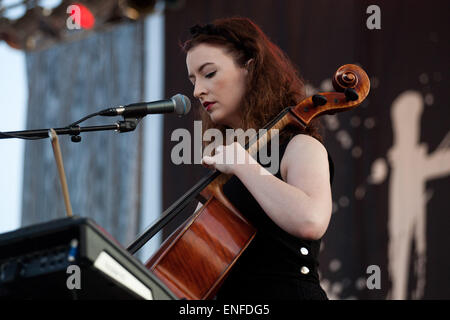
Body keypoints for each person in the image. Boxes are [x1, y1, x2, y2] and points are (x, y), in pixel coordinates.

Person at [183, 17, 333, 300]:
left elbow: (310, 220)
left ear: (250, 69)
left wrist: (242, 164)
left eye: (209, 73)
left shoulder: (300, 146)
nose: (197, 91)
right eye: (193, 80)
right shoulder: (225, 168)